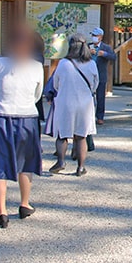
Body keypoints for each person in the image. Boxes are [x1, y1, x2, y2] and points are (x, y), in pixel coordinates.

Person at [0, 26, 44, 228]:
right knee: (26, 165)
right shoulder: (36, 66)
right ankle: (24, 203)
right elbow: (37, 96)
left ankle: (2, 212)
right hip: (27, 118)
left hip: (0, 117)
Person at [49, 34, 98, 176]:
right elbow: (95, 84)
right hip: (85, 103)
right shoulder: (91, 64)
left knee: (62, 135)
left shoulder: (64, 63)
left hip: (66, 102)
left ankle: (61, 161)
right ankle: (81, 167)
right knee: (81, 136)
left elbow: (56, 83)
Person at [90, 27, 116, 125]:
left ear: (100, 37)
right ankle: (90, 115)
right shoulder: (88, 46)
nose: (94, 37)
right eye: (93, 35)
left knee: (100, 97)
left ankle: (100, 117)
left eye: (96, 36)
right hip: (89, 75)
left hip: (101, 74)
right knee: (89, 96)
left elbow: (113, 57)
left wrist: (104, 54)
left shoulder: (106, 47)